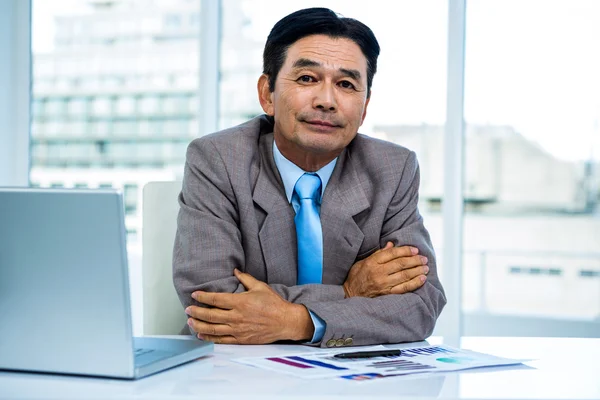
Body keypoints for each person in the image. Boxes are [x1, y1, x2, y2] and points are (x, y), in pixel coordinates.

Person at [173, 7, 446, 348]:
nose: (327, 101)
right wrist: (349, 292)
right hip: (233, 369)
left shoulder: (393, 168)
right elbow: (212, 299)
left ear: (364, 107)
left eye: (346, 84)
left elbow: (421, 305)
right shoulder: (218, 159)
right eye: (306, 79)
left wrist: (298, 321)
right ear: (267, 94)